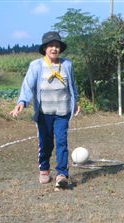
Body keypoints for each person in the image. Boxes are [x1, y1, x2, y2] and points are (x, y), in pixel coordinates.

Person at [10, 31, 80, 189]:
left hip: (62, 112)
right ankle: (44, 168)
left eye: (57, 46)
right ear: (45, 48)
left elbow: (72, 86)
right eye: (51, 46)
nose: (54, 49)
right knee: (46, 143)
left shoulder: (67, 64)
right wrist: (22, 101)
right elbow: (27, 85)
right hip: (43, 113)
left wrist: (75, 101)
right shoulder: (36, 65)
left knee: (62, 142)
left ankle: (62, 174)